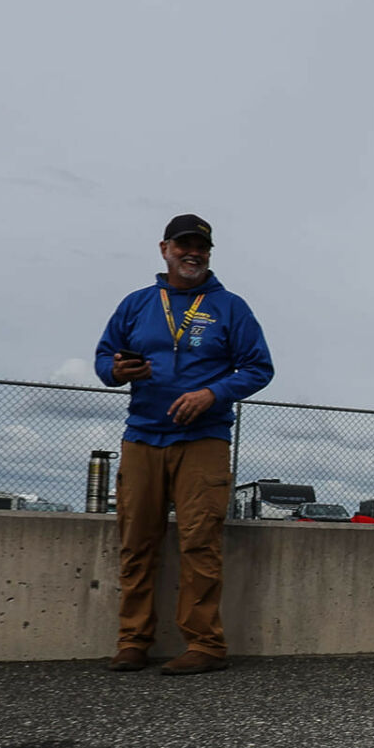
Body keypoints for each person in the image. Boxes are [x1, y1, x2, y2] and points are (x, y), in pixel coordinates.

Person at [94, 214, 273, 675]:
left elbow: (259, 368)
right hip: (142, 437)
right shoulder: (136, 304)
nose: (192, 253)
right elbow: (102, 357)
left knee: (200, 543)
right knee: (136, 541)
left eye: (201, 247)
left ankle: (206, 645)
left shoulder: (230, 307)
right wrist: (116, 371)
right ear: (164, 249)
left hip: (204, 440)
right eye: (183, 245)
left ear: (210, 253)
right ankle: (133, 640)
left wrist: (212, 393)